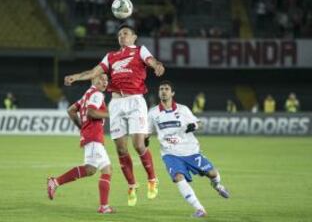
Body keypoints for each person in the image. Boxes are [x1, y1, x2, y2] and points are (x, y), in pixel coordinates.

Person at [64, 23, 165, 206]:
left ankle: (152, 179)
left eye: (125, 33)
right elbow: (95, 72)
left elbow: (151, 61)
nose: (122, 36)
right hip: (116, 102)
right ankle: (132, 185)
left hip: (135, 100)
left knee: (138, 144)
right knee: (120, 149)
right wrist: (76, 77)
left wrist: (157, 65)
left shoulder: (139, 50)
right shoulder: (111, 56)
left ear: (133, 37)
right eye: (119, 34)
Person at [147, 81, 230, 218]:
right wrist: (145, 139)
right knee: (178, 177)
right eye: (161, 89)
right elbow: (148, 131)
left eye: (167, 89)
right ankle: (200, 209)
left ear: (172, 93)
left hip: (190, 150)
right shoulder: (153, 113)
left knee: (212, 173)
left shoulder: (183, 109)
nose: (163, 91)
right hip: (170, 153)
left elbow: (198, 123)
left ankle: (217, 186)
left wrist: (194, 127)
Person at [47, 74, 115, 214]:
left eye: (106, 80)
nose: (104, 82)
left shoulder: (86, 95)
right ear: (93, 80)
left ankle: (56, 182)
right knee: (100, 170)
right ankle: (103, 206)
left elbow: (71, 110)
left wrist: (82, 127)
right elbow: (91, 112)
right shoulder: (96, 94)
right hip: (94, 136)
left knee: (96, 169)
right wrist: (110, 114)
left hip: (91, 136)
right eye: (101, 79)